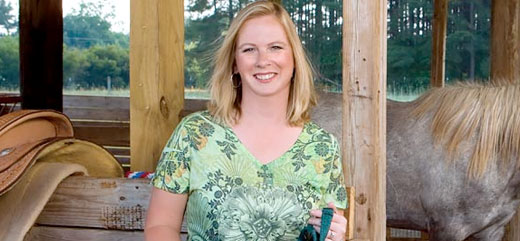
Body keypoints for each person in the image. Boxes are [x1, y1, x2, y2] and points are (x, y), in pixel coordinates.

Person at [145, 1, 348, 240]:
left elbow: (325, 231)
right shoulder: (194, 134)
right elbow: (161, 226)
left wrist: (335, 235)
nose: (263, 60)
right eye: (249, 49)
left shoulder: (322, 147)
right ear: (234, 63)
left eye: (275, 47)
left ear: (294, 59)